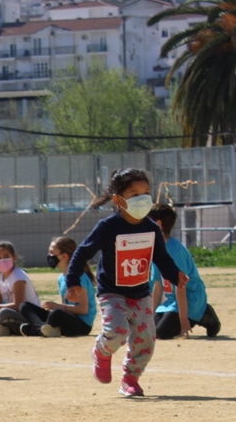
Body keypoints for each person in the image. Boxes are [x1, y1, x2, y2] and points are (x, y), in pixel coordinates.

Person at [68, 167, 187, 397]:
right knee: (117, 330)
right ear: (118, 200)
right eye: (134, 195)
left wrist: (175, 274)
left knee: (146, 341)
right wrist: (73, 281)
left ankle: (130, 379)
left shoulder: (152, 228)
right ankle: (102, 352)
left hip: (141, 293)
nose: (142, 199)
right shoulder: (108, 227)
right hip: (112, 292)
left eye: (146, 193)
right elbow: (82, 253)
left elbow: (161, 257)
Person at [146, 203, 221, 339]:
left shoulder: (174, 249)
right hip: (171, 303)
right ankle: (191, 314)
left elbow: (181, 285)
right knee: (149, 331)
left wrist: (183, 318)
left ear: (158, 224)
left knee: (161, 334)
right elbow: (157, 285)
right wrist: (151, 315)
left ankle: (204, 313)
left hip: (190, 300)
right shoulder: (155, 248)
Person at [26, 237, 98, 337]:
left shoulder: (79, 277)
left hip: (82, 325)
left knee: (57, 313)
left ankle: (36, 329)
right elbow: (65, 307)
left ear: (64, 256)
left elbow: (83, 309)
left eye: (52, 253)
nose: (49, 256)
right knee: (26, 306)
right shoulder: (61, 278)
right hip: (68, 318)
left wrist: (56, 306)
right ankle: (44, 328)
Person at [0, 241, 42, 336]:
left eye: (6, 257)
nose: (2, 260)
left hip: (27, 314)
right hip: (11, 312)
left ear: (14, 257)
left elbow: (18, 305)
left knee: (4, 313)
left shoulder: (18, 276)